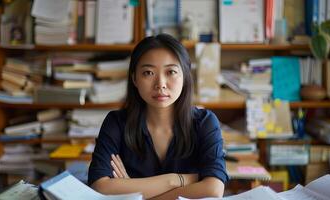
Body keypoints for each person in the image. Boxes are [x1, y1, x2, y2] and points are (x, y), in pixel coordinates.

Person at [88, 34, 229, 199]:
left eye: (171, 72)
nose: (160, 84)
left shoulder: (205, 122)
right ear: (134, 78)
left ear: (185, 76)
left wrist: (134, 192)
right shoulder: (116, 123)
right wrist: (176, 180)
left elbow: (213, 189)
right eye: (148, 73)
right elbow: (100, 187)